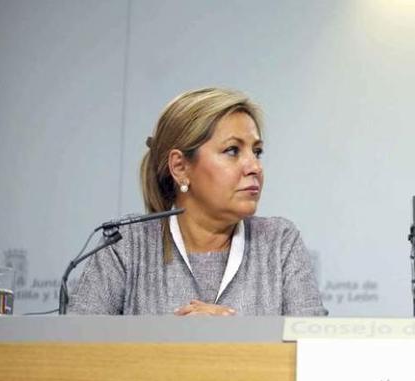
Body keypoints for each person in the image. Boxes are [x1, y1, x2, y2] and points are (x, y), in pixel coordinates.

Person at [69, 88, 327, 316]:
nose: (255, 167)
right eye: (232, 151)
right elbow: (77, 352)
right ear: (180, 167)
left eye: (256, 151)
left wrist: (235, 338)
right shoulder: (126, 246)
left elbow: (315, 353)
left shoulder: (279, 242)